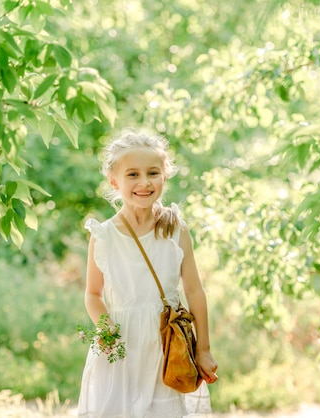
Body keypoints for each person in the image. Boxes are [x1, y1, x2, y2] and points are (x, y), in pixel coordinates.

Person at [77, 128, 219, 417]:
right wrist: (105, 329)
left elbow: (194, 291)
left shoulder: (176, 231)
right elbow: (93, 294)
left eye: (153, 173)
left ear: (164, 176)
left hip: (166, 349)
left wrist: (203, 349)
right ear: (114, 180)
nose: (144, 182)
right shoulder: (103, 236)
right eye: (133, 175)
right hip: (121, 351)